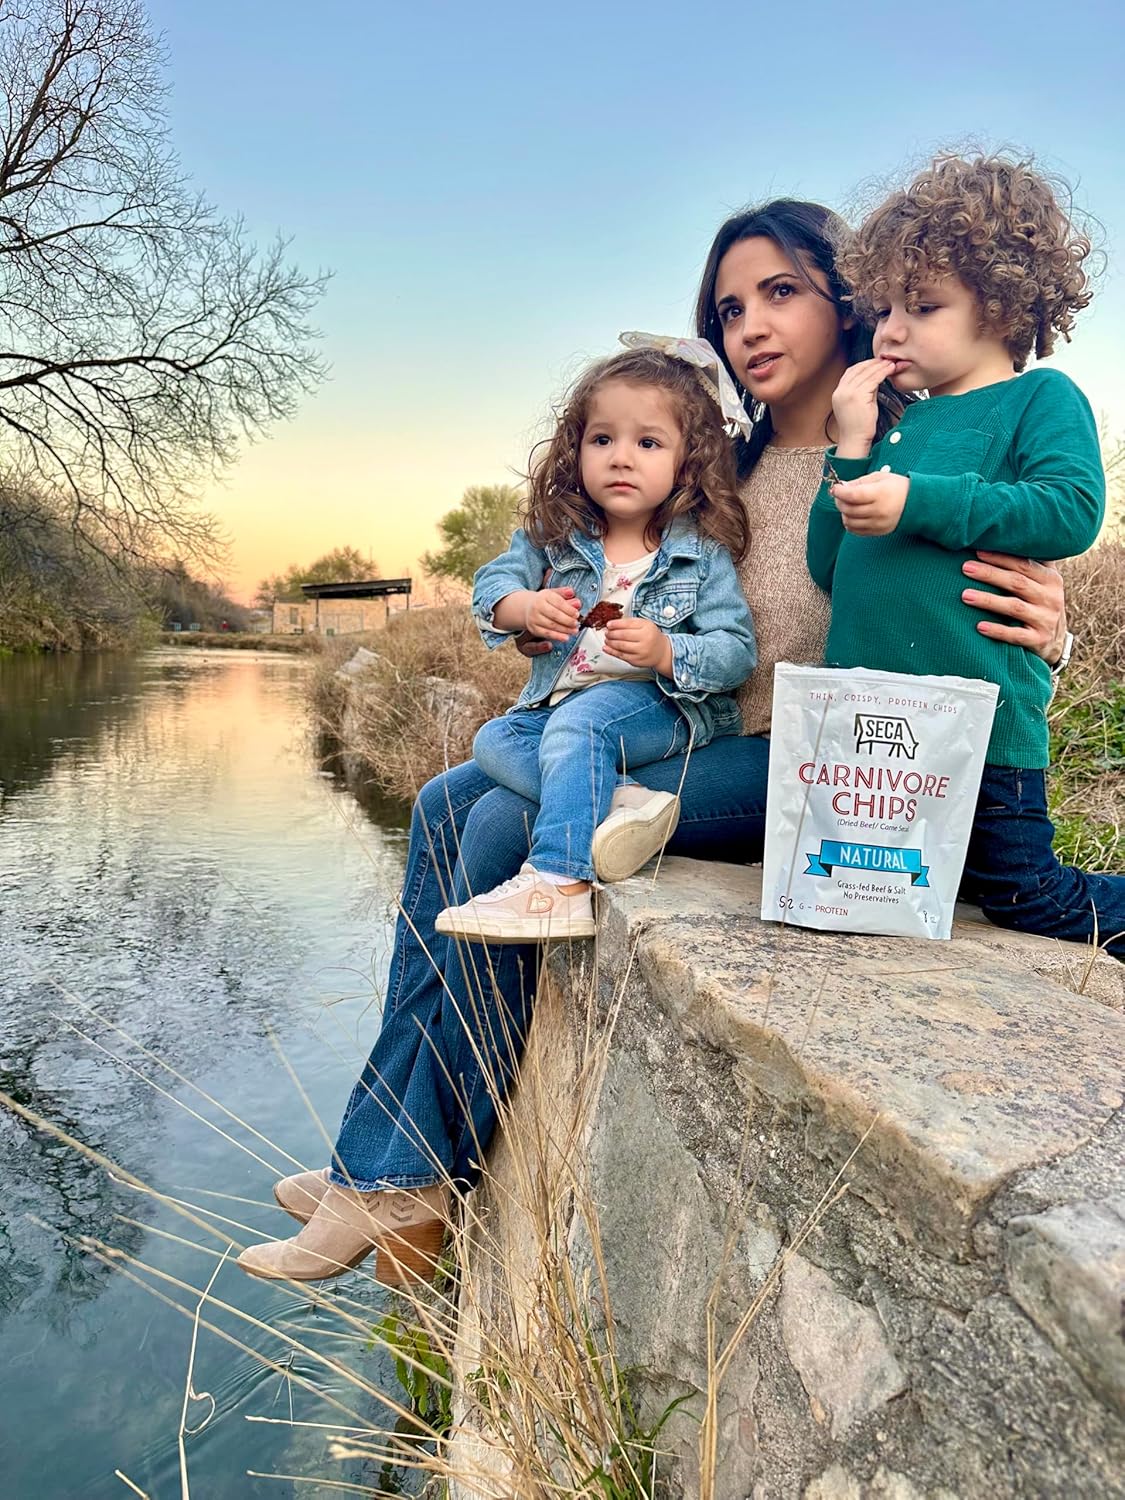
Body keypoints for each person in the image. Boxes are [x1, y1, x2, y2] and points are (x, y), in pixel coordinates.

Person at [237, 197, 1069, 1286]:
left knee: (500, 820)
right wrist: (537, 614)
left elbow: (995, 580)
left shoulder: (906, 442)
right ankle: (388, 1153)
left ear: (848, 298)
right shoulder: (722, 463)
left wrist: (1055, 633)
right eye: (729, 308)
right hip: (685, 732)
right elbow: (615, 569)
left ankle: (406, 1175)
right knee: (444, 803)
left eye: (781, 292)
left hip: (801, 760)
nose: (750, 326)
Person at [808, 153, 1122, 958]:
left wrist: (918, 501)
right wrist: (851, 446)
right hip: (874, 735)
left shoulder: (1038, 398)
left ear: (1004, 303)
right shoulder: (897, 428)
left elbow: (1070, 509)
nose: (890, 330)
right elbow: (826, 566)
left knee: (1023, 893)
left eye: (922, 306)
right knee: (872, 894)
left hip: (982, 724)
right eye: (883, 308)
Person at [435, 342, 756, 945]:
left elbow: (736, 650)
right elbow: (492, 585)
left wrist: (666, 651)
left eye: (648, 443)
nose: (621, 458)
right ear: (576, 448)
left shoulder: (699, 552)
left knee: (580, 724)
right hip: (557, 710)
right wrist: (525, 607)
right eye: (602, 439)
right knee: (492, 738)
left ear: (687, 462)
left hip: (658, 704)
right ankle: (621, 803)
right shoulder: (557, 535)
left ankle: (560, 881)